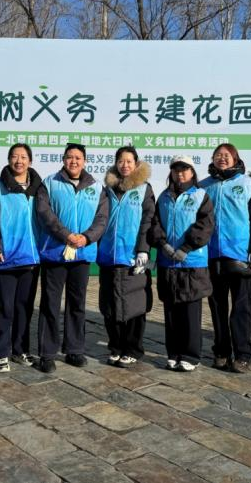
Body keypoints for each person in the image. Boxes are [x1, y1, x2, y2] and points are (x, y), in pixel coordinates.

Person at [35, 143, 109, 373]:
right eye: (69, 157)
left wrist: (86, 238)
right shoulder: (49, 183)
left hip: (82, 253)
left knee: (77, 303)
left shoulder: (96, 187)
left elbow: (102, 218)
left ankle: (74, 349)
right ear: (63, 159)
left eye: (78, 157)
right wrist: (66, 235)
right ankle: (47, 353)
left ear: (84, 161)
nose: (73, 161)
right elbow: (44, 213)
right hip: (55, 253)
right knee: (50, 303)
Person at [200, 144, 251, 373]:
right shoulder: (203, 186)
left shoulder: (249, 184)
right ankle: (221, 351)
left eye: (227, 156)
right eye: (218, 155)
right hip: (211, 255)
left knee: (242, 308)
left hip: (240, 256)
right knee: (217, 308)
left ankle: (243, 354)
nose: (222, 159)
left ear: (236, 159)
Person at [149, 155, 214, 372]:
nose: (180, 173)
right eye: (176, 170)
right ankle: (173, 353)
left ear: (192, 172)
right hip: (168, 262)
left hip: (192, 262)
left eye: (184, 169)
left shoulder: (201, 196)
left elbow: (205, 225)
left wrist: (186, 248)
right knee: (171, 311)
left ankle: (190, 356)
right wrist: (163, 244)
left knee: (190, 312)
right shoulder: (164, 197)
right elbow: (155, 223)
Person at [0, 143, 43, 373]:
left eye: (23, 157)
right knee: (3, 307)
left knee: (24, 307)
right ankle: (0, 354)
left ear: (30, 161)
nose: (19, 161)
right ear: (8, 160)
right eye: (15, 156)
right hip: (5, 258)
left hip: (31, 258)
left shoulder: (39, 187)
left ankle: (20, 350)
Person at [97, 146, 155, 368]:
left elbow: (148, 221)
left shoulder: (144, 189)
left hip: (132, 257)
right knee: (110, 304)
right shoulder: (107, 189)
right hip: (108, 256)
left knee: (134, 304)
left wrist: (143, 249)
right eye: (121, 161)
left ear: (136, 164)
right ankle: (116, 347)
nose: (125, 165)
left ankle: (133, 349)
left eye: (129, 161)